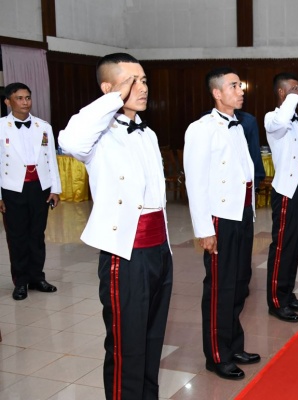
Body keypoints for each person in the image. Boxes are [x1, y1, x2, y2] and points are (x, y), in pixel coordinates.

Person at [58, 52, 173, 400]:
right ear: (109, 89)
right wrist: (112, 99)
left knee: (152, 339)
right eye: (131, 82)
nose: (142, 88)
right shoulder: (98, 136)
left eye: (144, 80)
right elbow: (69, 141)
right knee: (127, 345)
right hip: (125, 253)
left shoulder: (147, 134)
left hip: (159, 249)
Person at [184, 67, 261, 380]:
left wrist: (250, 212)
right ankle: (217, 355)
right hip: (220, 217)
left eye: (240, 86)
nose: (241, 91)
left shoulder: (238, 125)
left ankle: (233, 345)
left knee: (240, 283)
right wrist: (205, 230)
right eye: (234, 86)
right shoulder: (201, 129)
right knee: (220, 288)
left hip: (242, 214)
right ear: (217, 93)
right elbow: (195, 183)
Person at [0, 83, 61, 301]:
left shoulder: (43, 126)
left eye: (27, 97)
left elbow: (51, 158)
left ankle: (37, 278)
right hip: (12, 188)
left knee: (37, 235)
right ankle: (21, 282)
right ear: (8, 102)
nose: (25, 102)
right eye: (19, 98)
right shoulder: (1, 126)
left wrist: (55, 188)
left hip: (39, 188)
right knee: (17, 237)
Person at [264, 73, 298, 322]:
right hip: (287, 191)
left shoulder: (297, 122)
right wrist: (292, 99)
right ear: (282, 93)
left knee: (295, 247)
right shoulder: (274, 118)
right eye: (294, 88)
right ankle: (276, 301)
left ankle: (287, 293)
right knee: (283, 246)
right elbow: (281, 121)